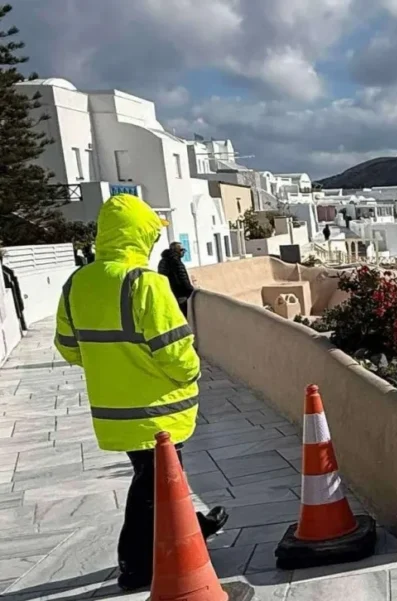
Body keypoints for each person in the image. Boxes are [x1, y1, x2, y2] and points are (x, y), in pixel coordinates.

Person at [54, 194, 228, 592]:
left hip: (113, 408)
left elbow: (67, 345)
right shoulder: (145, 283)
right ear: (139, 237)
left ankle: (193, 528)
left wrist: (110, 367)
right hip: (157, 406)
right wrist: (191, 372)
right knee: (154, 482)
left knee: (157, 476)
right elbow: (176, 352)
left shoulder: (77, 282)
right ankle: (135, 564)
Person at [157, 241, 195, 316]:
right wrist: (190, 290)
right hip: (179, 296)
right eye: (181, 250)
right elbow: (183, 279)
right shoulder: (176, 262)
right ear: (177, 251)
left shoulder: (162, 261)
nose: (183, 252)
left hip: (168, 295)